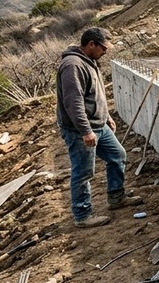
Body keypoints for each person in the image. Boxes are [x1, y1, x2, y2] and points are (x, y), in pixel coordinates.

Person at [56, 27, 143, 227]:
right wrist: (85, 131)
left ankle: (116, 197)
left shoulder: (89, 61)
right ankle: (82, 215)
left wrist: (107, 116)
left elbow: (95, 95)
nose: (106, 51)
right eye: (103, 48)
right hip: (80, 130)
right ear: (91, 44)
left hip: (98, 124)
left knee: (117, 155)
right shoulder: (73, 65)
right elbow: (73, 102)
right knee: (83, 171)